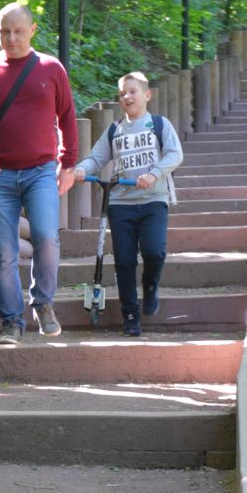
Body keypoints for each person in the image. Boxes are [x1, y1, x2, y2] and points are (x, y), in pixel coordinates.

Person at [0, 3, 80, 345]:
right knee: (4, 252)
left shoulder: (51, 68)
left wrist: (67, 163)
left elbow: (67, 117)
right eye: (4, 32)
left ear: (32, 30)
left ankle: (43, 303)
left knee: (45, 236)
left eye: (18, 31)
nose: (11, 38)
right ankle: (11, 322)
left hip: (41, 171)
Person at [69, 72, 183, 337]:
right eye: (122, 94)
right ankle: (130, 315)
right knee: (124, 261)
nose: (127, 97)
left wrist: (153, 173)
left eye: (132, 91)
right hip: (120, 203)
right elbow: (95, 158)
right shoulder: (114, 130)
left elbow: (175, 154)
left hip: (154, 200)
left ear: (146, 95)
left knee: (154, 251)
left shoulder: (158, 124)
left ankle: (151, 285)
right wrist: (82, 170)